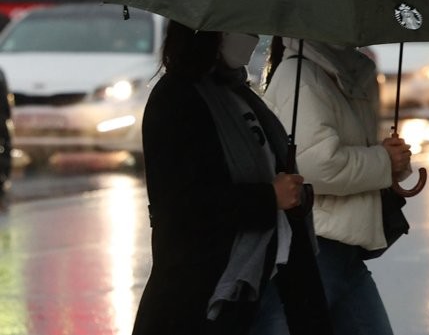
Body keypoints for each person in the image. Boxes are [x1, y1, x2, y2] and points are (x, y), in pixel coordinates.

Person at [132, 22, 330, 335]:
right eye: (237, 26)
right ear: (209, 33)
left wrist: (293, 193)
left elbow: (269, 170)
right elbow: (181, 209)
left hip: (268, 282)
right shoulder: (175, 100)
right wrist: (269, 198)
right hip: (210, 296)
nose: (251, 36)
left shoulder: (238, 93)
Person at [252, 37, 411, 335]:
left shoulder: (347, 75)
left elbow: (358, 150)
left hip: (347, 253)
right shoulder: (298, 77)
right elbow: (316, 166)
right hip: (316, 249)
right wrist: (382, 161)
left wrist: (392, 160)